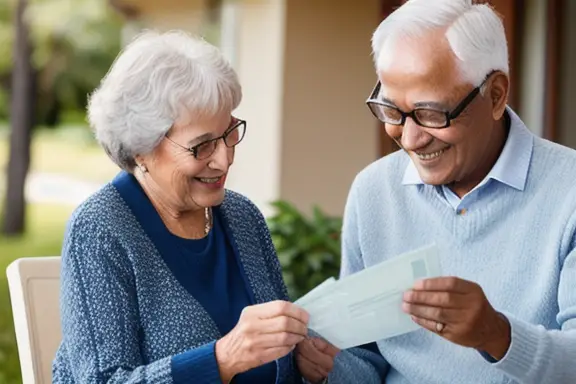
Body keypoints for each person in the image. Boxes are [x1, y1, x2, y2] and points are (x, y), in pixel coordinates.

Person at [296, 0, 576, 383]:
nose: (410, 139)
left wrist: (497, 335)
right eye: (393, 111)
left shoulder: (568, 191)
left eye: (432, 113)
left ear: (495, 95)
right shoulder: (374, 191)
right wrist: (326, 365)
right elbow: (366, 356)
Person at [52, 30, 310, 384]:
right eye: (201, 146)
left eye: (229, 133)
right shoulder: (100, 229)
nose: (224, 159)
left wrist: (306, 366)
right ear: (141, 149)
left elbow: (281, 364)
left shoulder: (242, 217)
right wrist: (222, 359)